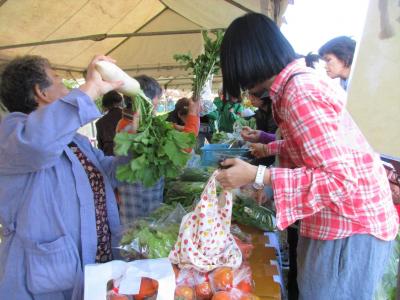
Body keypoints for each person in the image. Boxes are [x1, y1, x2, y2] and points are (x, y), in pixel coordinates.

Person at [216, 13, 399, 299]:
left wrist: (258, 174)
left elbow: (339, 179)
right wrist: (266, 170)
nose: (240, 84)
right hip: (344, 222)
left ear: (249, 59)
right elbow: (307, 147)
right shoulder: (297, 85)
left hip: (348, 227)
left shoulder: (300, 92)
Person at [0, 55, 124, 299]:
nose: (65, 85)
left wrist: (136, 152)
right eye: (57, 78)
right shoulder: (12, 132)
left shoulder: (75, 139)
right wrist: (91, 88)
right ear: (41, 91)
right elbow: (39, 145)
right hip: (45, 278)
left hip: (93, 264)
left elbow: (107, 171)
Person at [116, 75, 165, 224]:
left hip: (145, 196)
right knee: (137, 238)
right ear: (147, 100)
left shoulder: (131, 123)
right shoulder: (130, 128)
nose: (158, 103)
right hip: (139, 201)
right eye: (158, 99)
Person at [95, 90, 123, 155]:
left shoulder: (100, 123)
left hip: (109, 155)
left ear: (105, 105)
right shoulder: (129, 116)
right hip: (127, 152)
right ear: (119, 102)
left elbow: (100, 146)